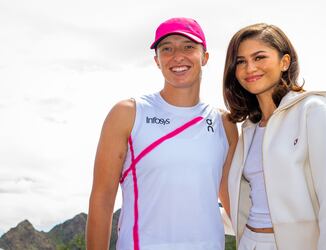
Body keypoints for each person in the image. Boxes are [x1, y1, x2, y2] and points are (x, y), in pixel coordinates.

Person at [86, 17, 238, 250]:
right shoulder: (128, 114)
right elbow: (102, 198)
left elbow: (232, 201)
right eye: (167, 49)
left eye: (188, 46)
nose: (177, 56)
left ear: (205, 56)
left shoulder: (224, 123)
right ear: (157, 60)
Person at [222, 23, 326, 250]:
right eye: (241, 61)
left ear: (285, 62)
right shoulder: (249, 128)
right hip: (248, 243)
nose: (249, 68)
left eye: (259, 57)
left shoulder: (313, 111)